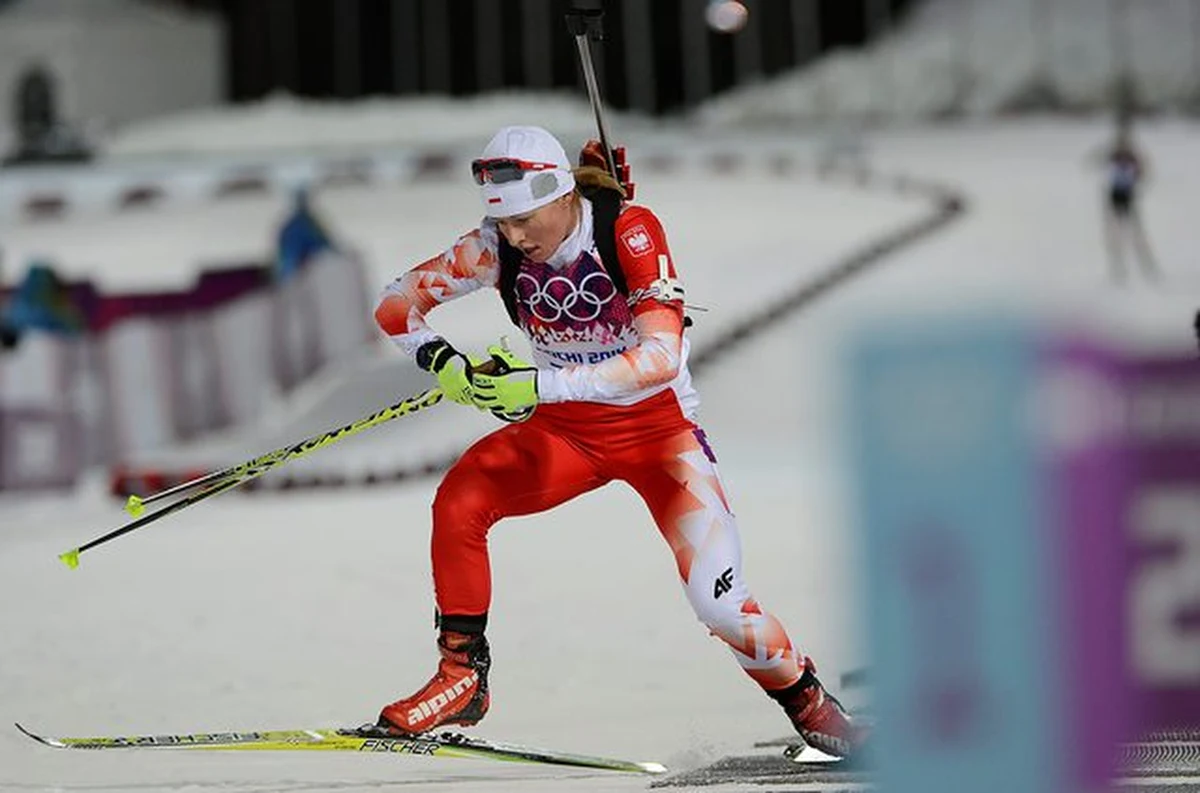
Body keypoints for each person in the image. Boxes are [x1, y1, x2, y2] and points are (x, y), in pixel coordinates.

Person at [372, 125, 868, 758]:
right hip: (567, 435)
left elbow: (662, 356)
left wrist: (539, 386)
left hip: (659, 436)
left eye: (526, 219)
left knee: (719, 607)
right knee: (459, 502)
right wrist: (444, 363)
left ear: (561, 194)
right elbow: (395, 303)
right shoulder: (494, 247)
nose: (517, 236)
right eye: (504, 222)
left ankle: (811, 705)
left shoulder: (628, 230)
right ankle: (462, 676)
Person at [1098, 123, 1159, 284]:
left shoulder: (1133, 158)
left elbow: (1143, 173)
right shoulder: (1113, 156)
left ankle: (1146, 266)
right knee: (1115, 235)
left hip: (1128, 197)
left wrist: (1138, 173)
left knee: (1135, 234)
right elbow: (1100, 164)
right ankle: (1118, 269)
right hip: (1115, 197)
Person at [273, 185, 339, 284]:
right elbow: (324, 246)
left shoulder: (291, 226)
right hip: (303, 274)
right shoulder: (308, 224)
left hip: (297, 275)